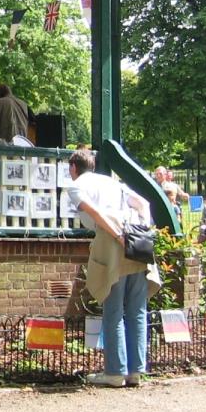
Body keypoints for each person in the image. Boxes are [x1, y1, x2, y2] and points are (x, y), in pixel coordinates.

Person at [68, 149, 161, 388]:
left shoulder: (77, 185)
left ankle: (115, 372)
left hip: (113, 242)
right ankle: (135, 372)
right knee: (137, 309)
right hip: (136, 242)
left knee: (113, 310)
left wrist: (118, 236)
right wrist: (142, 229)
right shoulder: (110, 181)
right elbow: (143, 203)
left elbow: (95, 213)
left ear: (73, 168)